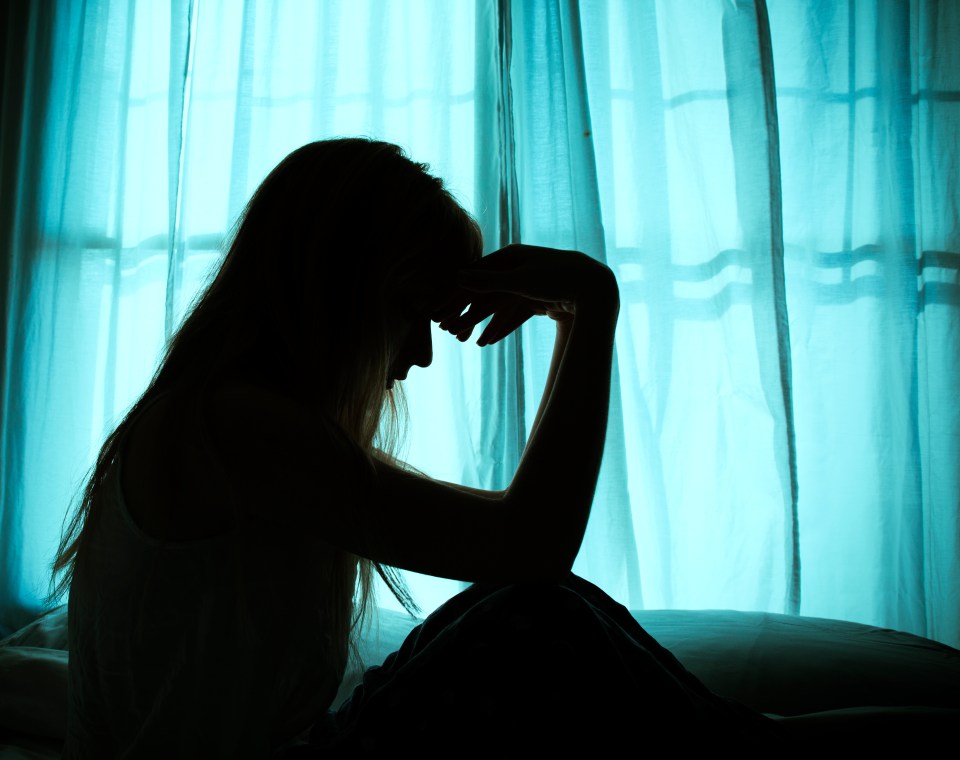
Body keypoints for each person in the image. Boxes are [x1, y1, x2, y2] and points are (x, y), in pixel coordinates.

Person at [52, 138, 789, 757]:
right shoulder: (235, 430)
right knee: (534, 620)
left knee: (535, 612)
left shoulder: (220, 420)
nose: (420, 356)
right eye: (411, 310)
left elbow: (522, 555)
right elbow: (530, 544)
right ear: (340, 291)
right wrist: (588, 307)